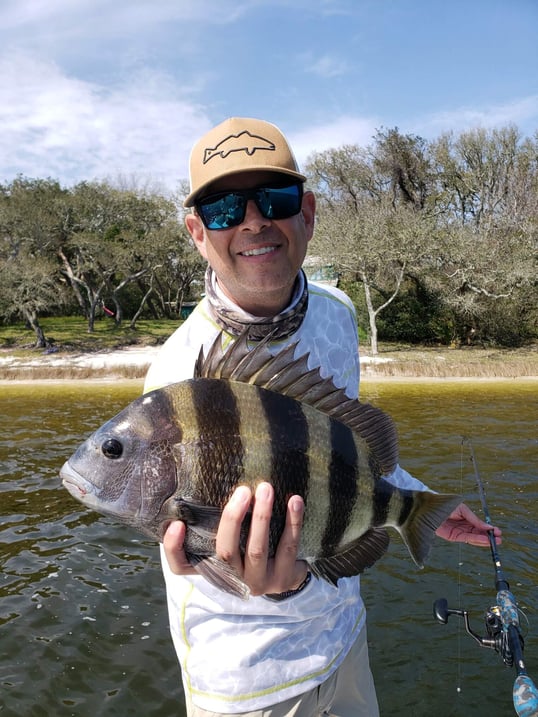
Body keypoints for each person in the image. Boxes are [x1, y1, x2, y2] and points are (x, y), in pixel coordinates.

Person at [143, 117, 501, 717]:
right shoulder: (174, 384)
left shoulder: (336, 313)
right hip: (249, 679)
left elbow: (337, 457)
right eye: (226, 207)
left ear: (306, 212)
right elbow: (193, 549)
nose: (254, 220)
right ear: (198, 232)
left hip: (343, 639)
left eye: (275, 199)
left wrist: (418, 505)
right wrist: (247, 577)